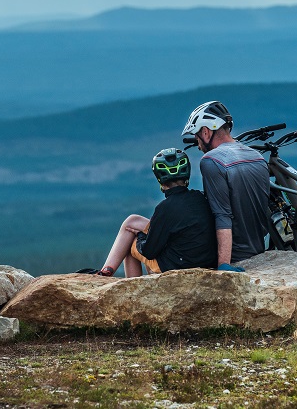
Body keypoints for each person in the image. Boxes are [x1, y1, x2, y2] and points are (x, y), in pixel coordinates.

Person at [86, 148, 218, 277]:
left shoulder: (165, 208)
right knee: (132, 220)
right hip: (205, 260)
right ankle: (107, 270)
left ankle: (113, 276)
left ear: (160, 178)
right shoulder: (200, 197)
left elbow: (149, 251)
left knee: (130, 245)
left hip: (178, 264)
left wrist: (140, 237)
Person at [183, 101, 274, 272]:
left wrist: (224, 264)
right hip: (258, 249)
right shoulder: (256, 156)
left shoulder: (211, 161)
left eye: (197, 136)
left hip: (235, 256)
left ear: (206, 131)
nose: (198, 143)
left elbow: (222, 214)